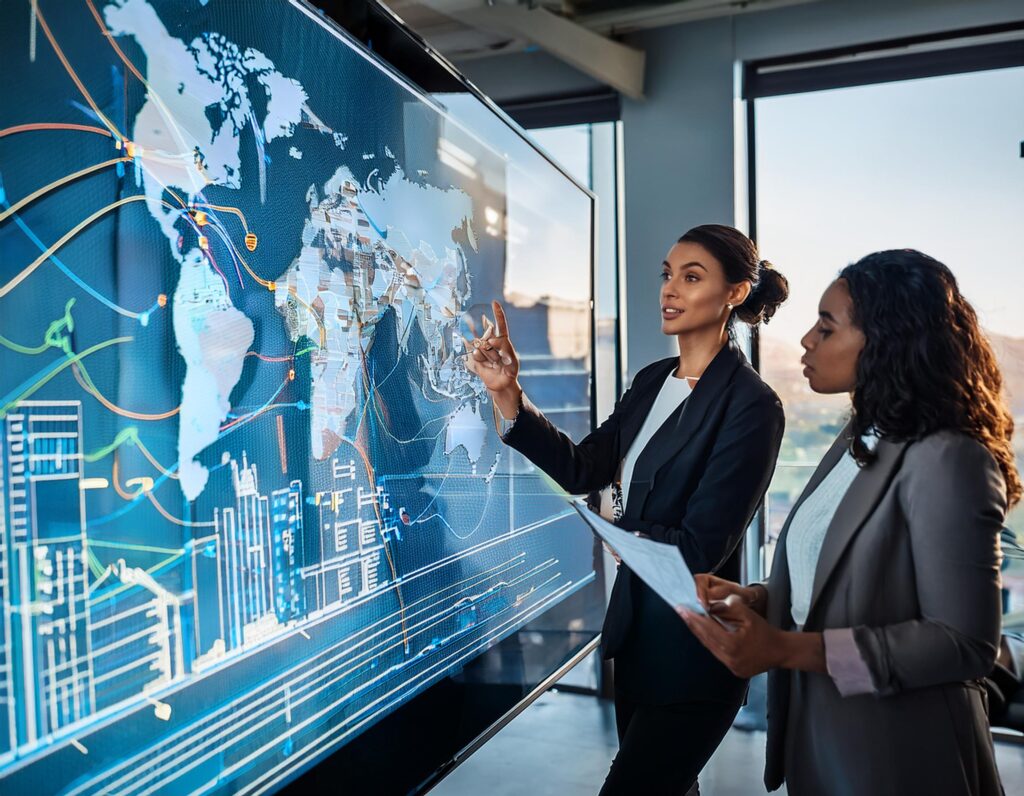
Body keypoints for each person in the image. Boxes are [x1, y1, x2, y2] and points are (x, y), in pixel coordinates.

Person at [680, 249, 1021, 795]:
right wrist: (759, 598)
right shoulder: (858, 438)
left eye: (826, 326)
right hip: (823, 740)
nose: (807, 341)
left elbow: (963, 643)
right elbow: (839, 571)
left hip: (901, 757)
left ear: (888, 341)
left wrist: (784, 649)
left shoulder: (950, 458)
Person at [465, 224, 789, 795]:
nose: (670, 289)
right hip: (637, 643)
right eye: (668, 275)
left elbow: (699, 548)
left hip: (695, 657)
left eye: (692, 277)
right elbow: (583, 469)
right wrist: (508, 394)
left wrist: (612, 523)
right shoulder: (650, 381)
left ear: (735, 294)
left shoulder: (751, 405)